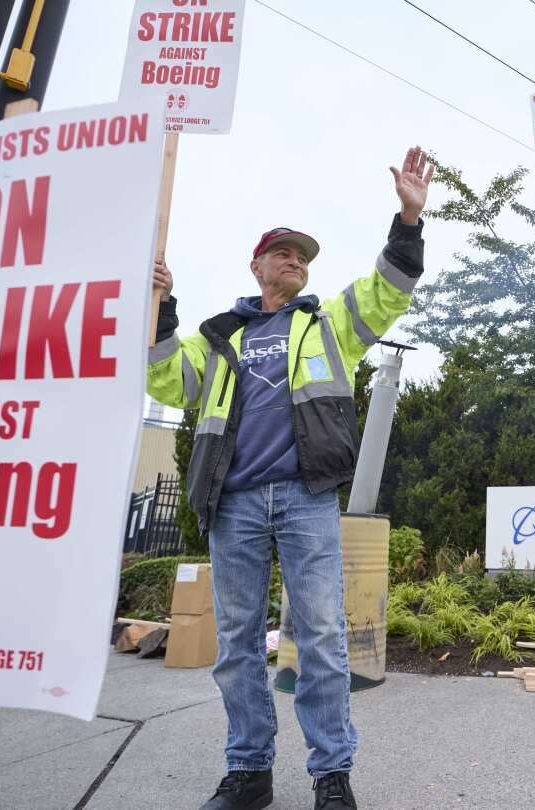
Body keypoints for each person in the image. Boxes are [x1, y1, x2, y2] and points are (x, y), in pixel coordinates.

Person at [148, 147, 435, 810]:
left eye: (302, 256)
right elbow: (166, 376)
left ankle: (332, 775)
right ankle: (249, 772)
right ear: (256, 265)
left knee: (324, 638)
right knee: (238, 647)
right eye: (283, 253)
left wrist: (409, 220)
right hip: (236, 504)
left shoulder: (328, 324)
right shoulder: (219, 337)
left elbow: (388, 289)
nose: (295, 262)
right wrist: (159, 310)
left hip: (307, 500)